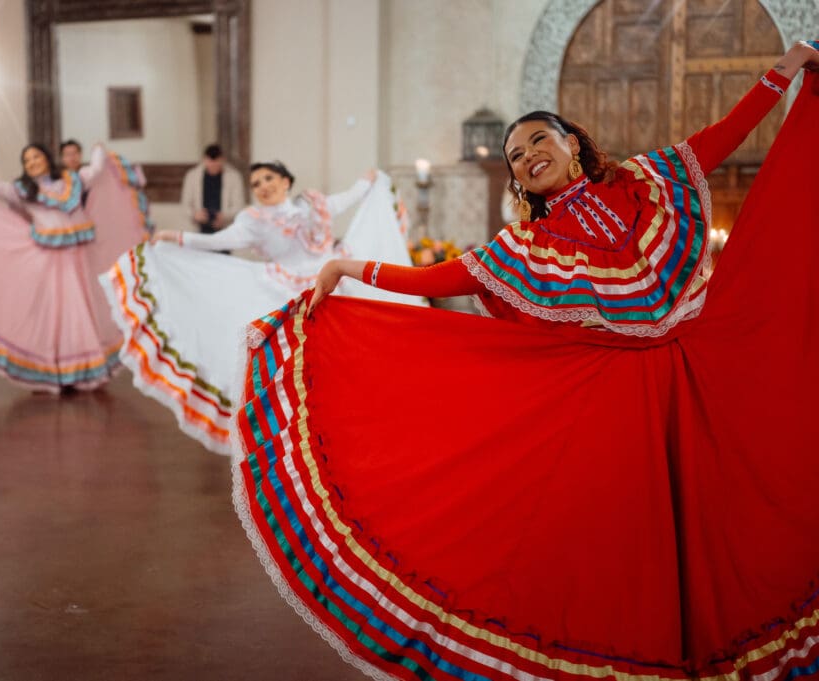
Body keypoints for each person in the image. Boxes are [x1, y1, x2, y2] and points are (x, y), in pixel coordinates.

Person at [233, 42, 819, 681]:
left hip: (699, 372)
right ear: (517, 178)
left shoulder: (651, 181)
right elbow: (440, 278)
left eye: (540, 140)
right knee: (627, 534)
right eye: (517, 155)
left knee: (728, 510)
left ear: (573, 144)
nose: (530, 155)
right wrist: (351, 268)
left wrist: (784, 70)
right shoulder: (529, 245)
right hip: (618, 396)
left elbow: (727, 133)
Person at [100, 160, 424, 454]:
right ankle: (303, 429)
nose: (263, 186)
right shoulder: (252, 220)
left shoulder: (314, 207)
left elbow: (348, 198)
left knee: (350, 350)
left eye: (268, 178)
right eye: (256, 183)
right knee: (297, 360)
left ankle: (361, 419)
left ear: (285, 181)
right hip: (283, 290)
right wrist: (177, 237)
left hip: (333, 284)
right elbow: (218, 241)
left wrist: (369, 181)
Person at [0, 142, 150, 393]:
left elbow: (97, 170)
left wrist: (99, 150)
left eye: (36, 156)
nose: (33, 162)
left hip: (79, 257)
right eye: (27, 160)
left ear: (46, 158)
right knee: (59, 311)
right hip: (51, 260)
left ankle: (83, 366)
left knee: (83, 306)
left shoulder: (72, 180)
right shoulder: (23, 189)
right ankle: (59, 368)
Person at [180, 144, 245, 234]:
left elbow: (239, 205)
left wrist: (224, 217)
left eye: (217, 162)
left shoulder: (234, 177)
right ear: (204, 159)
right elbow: (185, 204)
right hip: (199, 230)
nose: (213, 166)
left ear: (223, 159)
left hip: (224, 230)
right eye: (210, 162)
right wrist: (195, 215)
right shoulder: (192, 176)